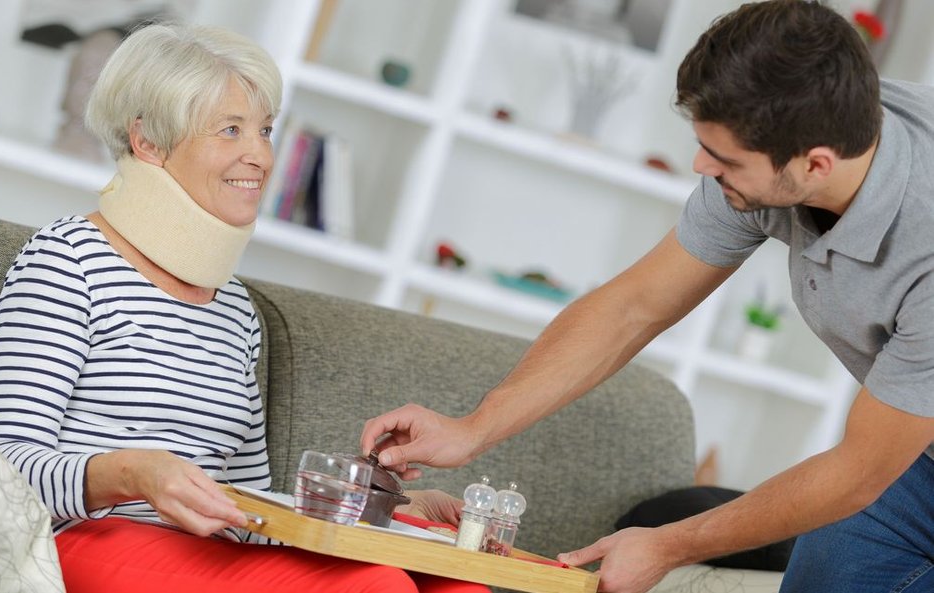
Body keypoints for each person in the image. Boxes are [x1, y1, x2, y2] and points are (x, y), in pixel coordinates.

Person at [360, 2, 934, 592]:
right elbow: (633, 306)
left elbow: (859, 470)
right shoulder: (809, 117)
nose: (700, 165)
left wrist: (667, 545)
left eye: (725, 159)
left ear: (815, 165)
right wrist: (472, 428)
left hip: (888, 463)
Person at [0, 22, 486, 593]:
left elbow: (247, 512)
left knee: (454, 585)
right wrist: (132, 472)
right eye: (230, 129)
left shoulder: (235, 311)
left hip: (199, 556)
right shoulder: (68, 258)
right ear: (148, 140)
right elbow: (1, 471)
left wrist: (384, 507)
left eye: (266, 129)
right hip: (80, 541)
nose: (261, 156)